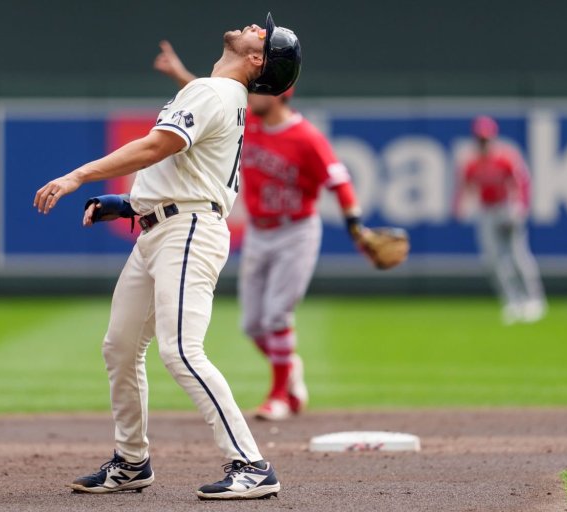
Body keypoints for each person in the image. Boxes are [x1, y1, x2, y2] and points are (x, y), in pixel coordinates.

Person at [34, 14, 300, 500]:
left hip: (188, 230)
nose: (253, 27)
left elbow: (158, 146)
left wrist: (78, 177)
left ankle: (251, 464)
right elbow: (187, 168)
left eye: (262, 35)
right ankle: (131, 462)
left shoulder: (215, 92)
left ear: (257, 59)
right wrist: (130, 204)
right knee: (120, 346)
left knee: (181, 350)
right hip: (164, 226)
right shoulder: (221, 94)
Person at [154, 39, 364, 421]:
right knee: (253, 325)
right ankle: (290, 370)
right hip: (260, 232)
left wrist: (355, 225)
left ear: (281, 94)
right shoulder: (246, 121)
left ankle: (281, 395)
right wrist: (181, 74)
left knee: (276, 318)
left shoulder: (306, 137)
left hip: (296, 232)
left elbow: (339, 181)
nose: (252, 96)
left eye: (261, 91)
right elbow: (210, 100)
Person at [454, 115, 546, 324]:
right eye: (480, 139)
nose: (483, 143)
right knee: (494, 260)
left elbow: (521, 182)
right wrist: (460, 207)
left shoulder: (505, 158)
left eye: (486, 139)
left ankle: (534, 300)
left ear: (493, 138)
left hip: (506, 208)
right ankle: (512, 301)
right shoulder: (472, 163)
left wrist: (519, 206)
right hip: (486, 211)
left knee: (517, 255)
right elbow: (465, 186)